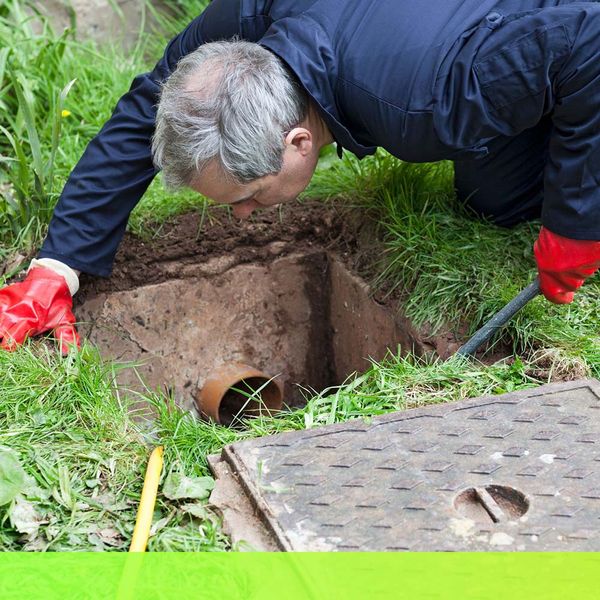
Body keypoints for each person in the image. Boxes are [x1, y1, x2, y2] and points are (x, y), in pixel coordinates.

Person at [1, 0, 600, 352]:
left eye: (250, 196)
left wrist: (577, 221)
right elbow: (148, 110)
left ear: (298, 143)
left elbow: (587, 41)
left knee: (524, 195)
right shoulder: (246, 21)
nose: (241, 216)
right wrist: (60, 264)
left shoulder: (428, 106)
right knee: (493, 198)